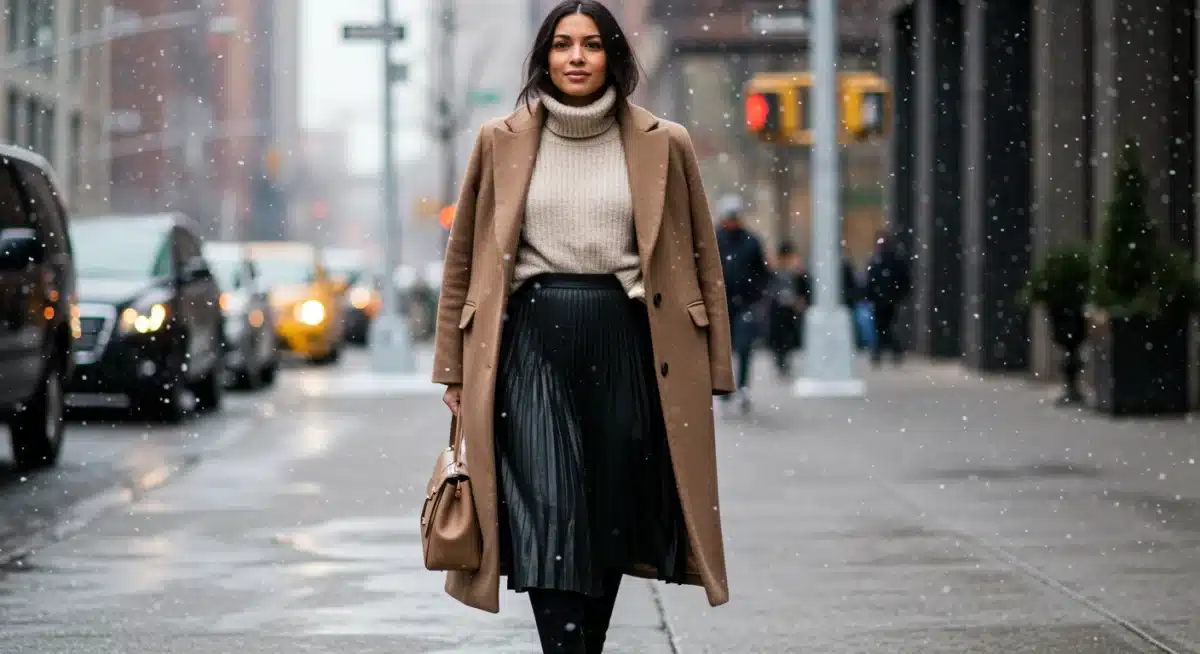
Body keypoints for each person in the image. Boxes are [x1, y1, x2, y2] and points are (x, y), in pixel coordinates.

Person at [430, 2, 735, 651]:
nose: (575, 57)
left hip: (631, 341)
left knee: (607, 515)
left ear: (612, 56)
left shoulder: (663, 143)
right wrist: (452, 368)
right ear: (543, 56)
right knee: (549, 507)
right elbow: (464, 260)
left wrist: (714, 367)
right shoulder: (499, 140)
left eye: (590, 44)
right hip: (531, 342)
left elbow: (701, 258)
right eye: (562, 44)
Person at [714, 194, 769, 413]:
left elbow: (761, 272)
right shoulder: (714, 240)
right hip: (721, 304)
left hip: (745, 303)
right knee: (724, 349)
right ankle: (726, 391)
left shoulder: (751, 242)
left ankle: (743, 388)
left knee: (744, 346)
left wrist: (757, 296)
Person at [864, 228, 912, 365]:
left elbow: (903, 280)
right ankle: (886, 352)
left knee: (884, 327)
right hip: (883, 299)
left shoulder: (890, 260)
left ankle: (882, 352)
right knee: (883, 327)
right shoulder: (882, 260)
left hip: (887, 300)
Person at [765, 241, 806, 377]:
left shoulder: (795, 270)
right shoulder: (775, 269)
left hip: (789, 309)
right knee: (778, 337)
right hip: (777, 309)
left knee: (787, 337)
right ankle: (780, 360)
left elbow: (803, 286)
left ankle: (784, 361)